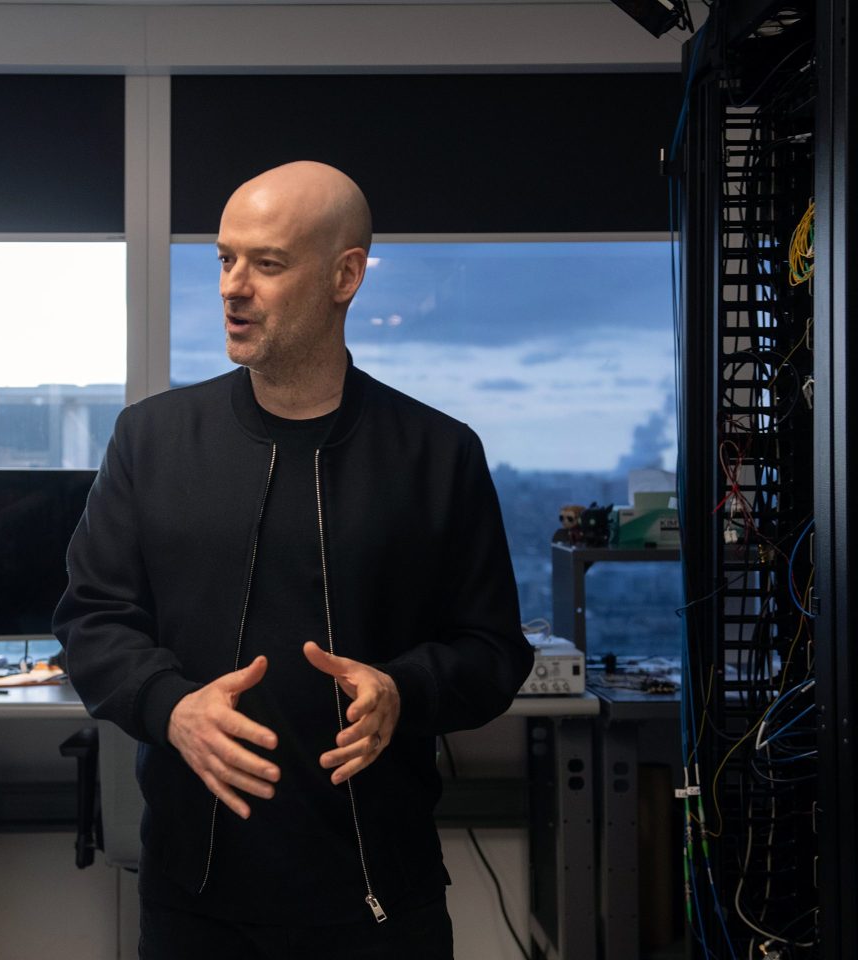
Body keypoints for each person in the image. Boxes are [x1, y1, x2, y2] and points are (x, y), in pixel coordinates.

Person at [54, 161, 534, 959]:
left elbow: (493, 652)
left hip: (381, 900)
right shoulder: (152, 439)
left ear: (345, 276)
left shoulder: (437, 454)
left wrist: (403, 691)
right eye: (225, 258)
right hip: (195, 902)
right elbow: (91, 621)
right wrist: (170, 705)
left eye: (267, 263)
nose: (232, 287)